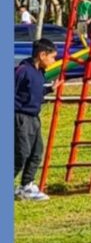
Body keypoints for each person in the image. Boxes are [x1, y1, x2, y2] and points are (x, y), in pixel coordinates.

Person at [15, 37, 57, 202]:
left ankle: (27, 186)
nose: (54, 61)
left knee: (36, 152)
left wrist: (50, 90)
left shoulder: (40, 73)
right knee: (21, 153)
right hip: (19, 116)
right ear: (42, 55)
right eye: (52, 57)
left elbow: (33, 95)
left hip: (34, 117)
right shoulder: (22, 70)